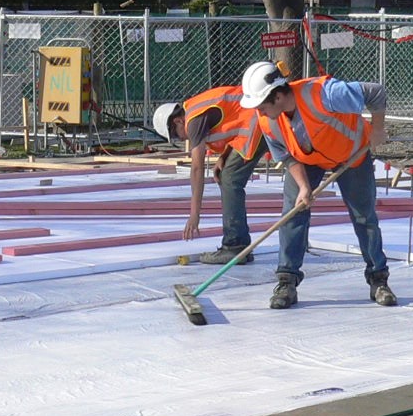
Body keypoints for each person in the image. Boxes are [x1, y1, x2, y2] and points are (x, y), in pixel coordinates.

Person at [238, 60, 396, 309]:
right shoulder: (268, 121)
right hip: (307, 159)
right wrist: (303, 186)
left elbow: (375, 92)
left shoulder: (324, 94)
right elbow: (286, 157)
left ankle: (378, 279)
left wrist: (377, 130)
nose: (260, 112)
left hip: (351, 153)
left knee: (364, 216)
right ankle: (287, 281)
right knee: (293, 212)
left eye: (262, 106)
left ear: (277, 96)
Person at [152, 88, 269, 265]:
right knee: (227, 176)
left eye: (176, 135)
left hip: (257, 121)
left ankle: (234, 246)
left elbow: (197, 169)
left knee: (230, 179)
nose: (181, 139)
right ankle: (241, 246)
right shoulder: (195, 111)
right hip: (256, 119)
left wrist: (194, 214)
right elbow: (234, 120)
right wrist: (224, 157)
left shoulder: (193, 121)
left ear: (178, 121)